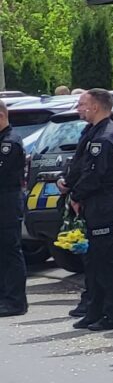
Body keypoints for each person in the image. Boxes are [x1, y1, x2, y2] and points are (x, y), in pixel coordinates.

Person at [61, 89, 113, 332]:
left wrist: (76, 195)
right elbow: (79, 164)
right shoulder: (92, 131)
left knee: (105, 261)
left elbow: (94, 173)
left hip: (102, 202)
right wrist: (67, 182)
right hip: (92, 201)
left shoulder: (104, 136)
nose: (79, 109)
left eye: (82, 104)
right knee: (93, 261)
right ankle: (95, 310)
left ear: (96, 107)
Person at [0, 100, 27, 318]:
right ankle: (4, 297)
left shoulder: (9, 142)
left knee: (10, 250)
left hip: (7, 201)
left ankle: (15, 301)